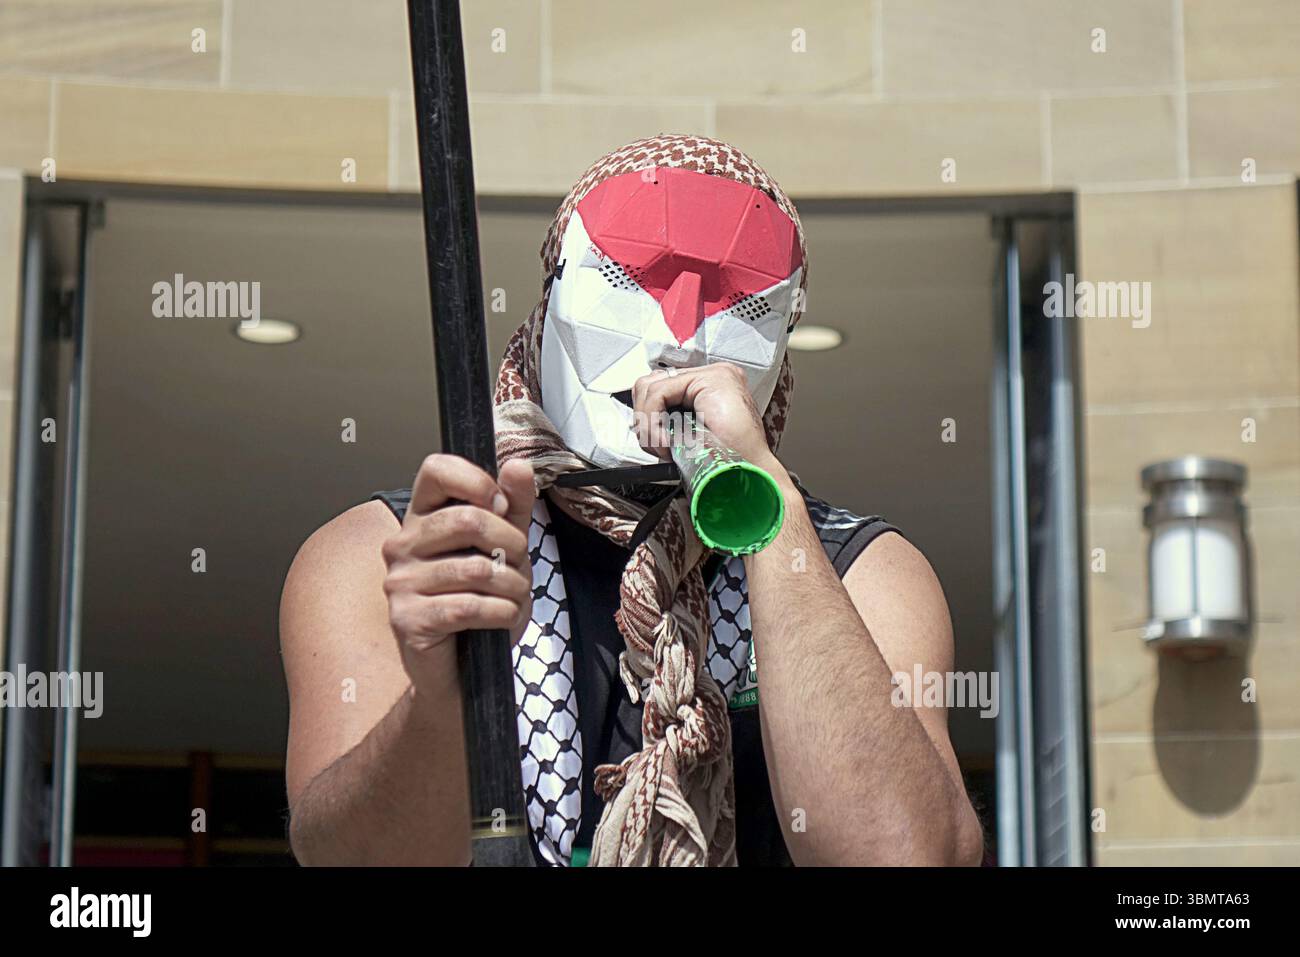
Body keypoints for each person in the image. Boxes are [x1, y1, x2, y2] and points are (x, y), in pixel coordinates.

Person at [279, 134, 984, 867]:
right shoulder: (394, 553)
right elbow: (347, 857)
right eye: (622, 277)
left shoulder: (861, 573)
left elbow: (901, 853)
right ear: (547, 297)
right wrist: (439, 691)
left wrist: (765, 508)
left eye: (740, 303)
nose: (679, 334)